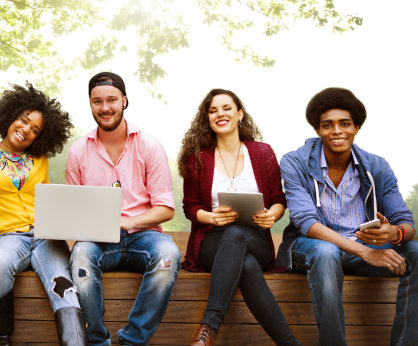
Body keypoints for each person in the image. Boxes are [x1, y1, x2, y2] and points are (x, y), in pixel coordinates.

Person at [275, 87, 417, 346]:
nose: (336, 131)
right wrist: (366, 253)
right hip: (312, 247)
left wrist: (394, 233)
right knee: (327, 252)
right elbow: (306, 223)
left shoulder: (377, 166)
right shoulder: (294, 162)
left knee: (415, 252)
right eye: (327, 125)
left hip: (362, 247)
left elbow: (406, 221)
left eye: (344, 124)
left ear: (356, 127)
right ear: (317, 130)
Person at [178, 89, 300, 346]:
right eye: (213, 110)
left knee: (238, 236)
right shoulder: (198, 156)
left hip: (256, 240)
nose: (220, 114)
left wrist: (271, 216)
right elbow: (190, 207)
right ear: (207, 118)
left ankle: (208, 330)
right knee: (245, 264)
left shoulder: (262, 153)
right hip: (211, 241)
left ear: (239, 114)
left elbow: (279, 200)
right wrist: (211, 218)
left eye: (226, 108)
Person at [67, 72, 179, 345]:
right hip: (100, 241)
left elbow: (165, 208)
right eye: (97, 101)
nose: (105, 108)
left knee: (168, 254)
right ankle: (96, 340)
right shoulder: (78, 151)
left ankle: (133, 340)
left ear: (125, 101)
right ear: (91, 105)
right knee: (81, 254)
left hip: (143, 235)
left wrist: (128, 222)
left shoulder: (149, 145)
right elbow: (72, 211)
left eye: (111, 100)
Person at [0, 82, 86, 345]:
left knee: (64, 287)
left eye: (35, 130)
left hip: (46, 236)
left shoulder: (40, 158)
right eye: (23, 121)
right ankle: (1, 339)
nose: (26, 131)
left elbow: (46, 200)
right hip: (10, 236)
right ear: (10, 117)